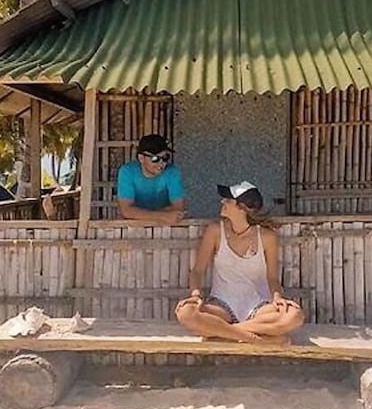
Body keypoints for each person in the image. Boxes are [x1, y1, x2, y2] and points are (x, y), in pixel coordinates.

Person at [175, 181, 304, 343]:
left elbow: (272, 278)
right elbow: (197, 271)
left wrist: (278, 298)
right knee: (186, 312)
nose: (222, 201)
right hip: (221, 305)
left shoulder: (267, 237)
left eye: (228, 200)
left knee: (295, 316)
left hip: (259, 306)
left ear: (242, 208)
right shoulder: (215, 231)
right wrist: (196, 295)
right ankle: (258, 339)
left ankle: (223, 334)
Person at [116, 134, 186, 224]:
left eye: (165, 158)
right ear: (141, 158)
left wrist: (139, 214)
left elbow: (178, 209)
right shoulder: (127, 172)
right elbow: (126, 211)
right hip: (134, 226)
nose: (161, 163)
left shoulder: (172, 172)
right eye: (155, 158)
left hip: (166, 227)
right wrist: (163, 216)